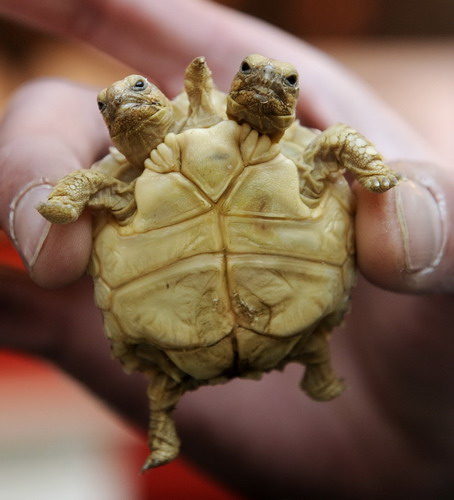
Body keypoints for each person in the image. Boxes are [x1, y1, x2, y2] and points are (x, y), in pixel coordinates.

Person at [0, 0, 452, 497]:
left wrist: (378, 169)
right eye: (111, 104)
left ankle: (312, 366)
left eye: (281, 81)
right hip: (207, 315)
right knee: (162, 372)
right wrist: (62, 199)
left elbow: (340, 141)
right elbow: (84, 186)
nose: (122, 103)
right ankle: (166, 414)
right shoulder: (114, 176)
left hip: (303, 322)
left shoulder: (301, 149)